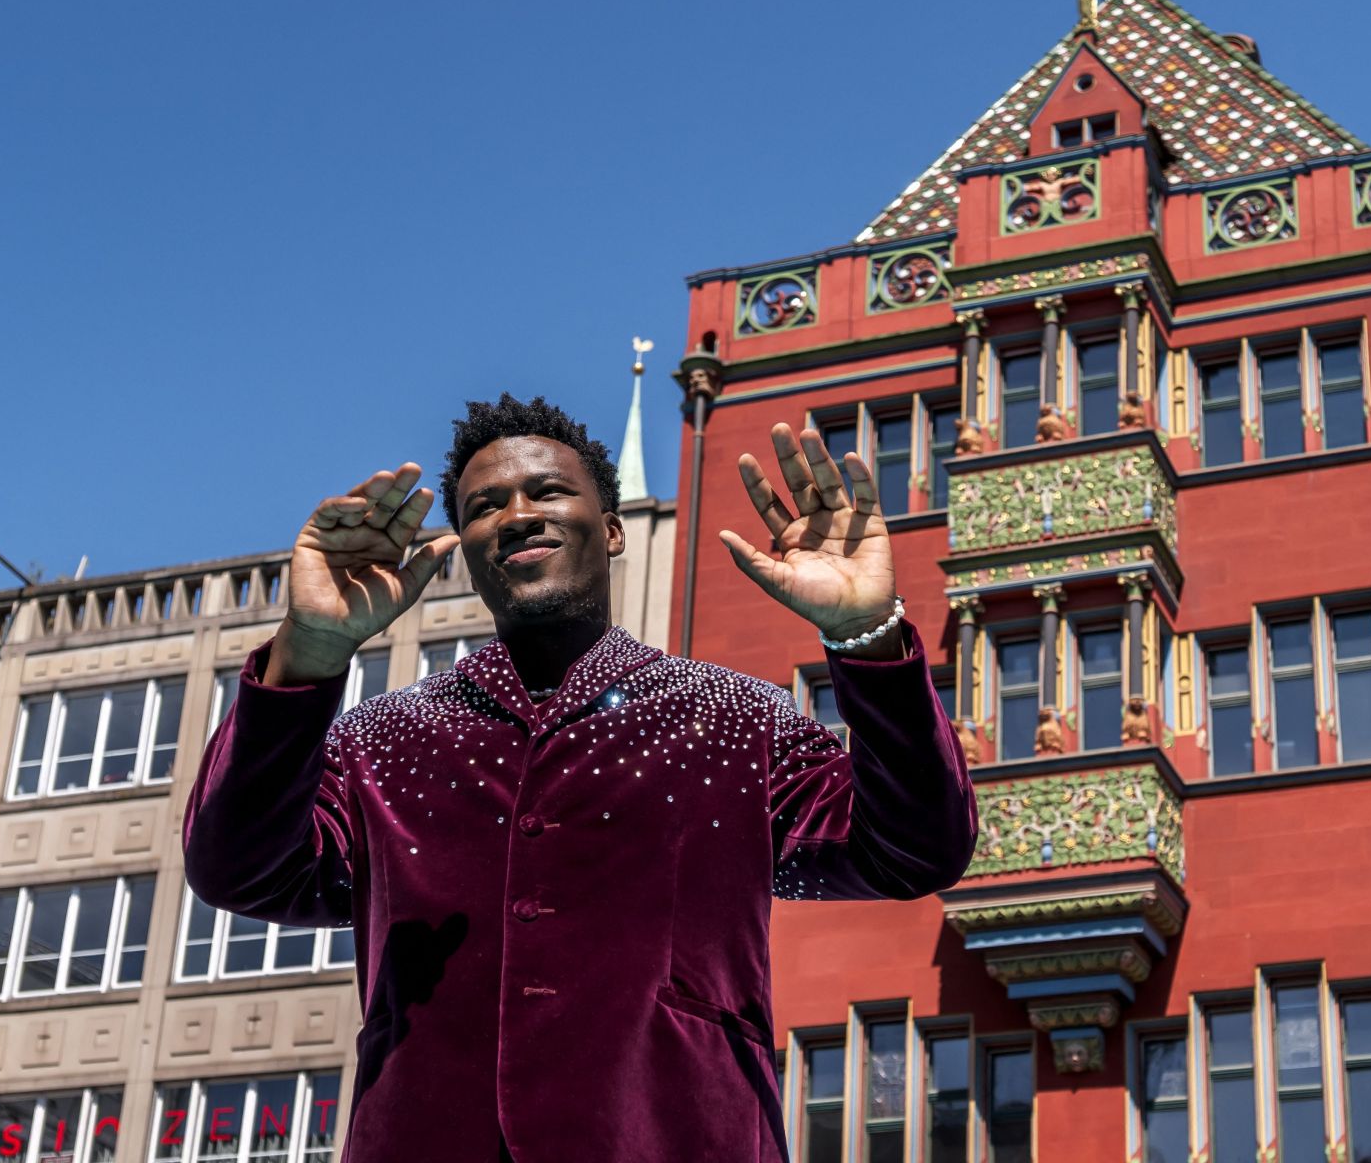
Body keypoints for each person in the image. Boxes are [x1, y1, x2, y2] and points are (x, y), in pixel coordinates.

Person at [182, 394, 979, 1162]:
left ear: (613, 529)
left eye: (548, 491)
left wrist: (867, 634)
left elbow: (915, 849)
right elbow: (238, 869)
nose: (517, 514)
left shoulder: (737, 719)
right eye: (485, 506)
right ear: (464, 550)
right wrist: (311, 650)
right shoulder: (381, 741)